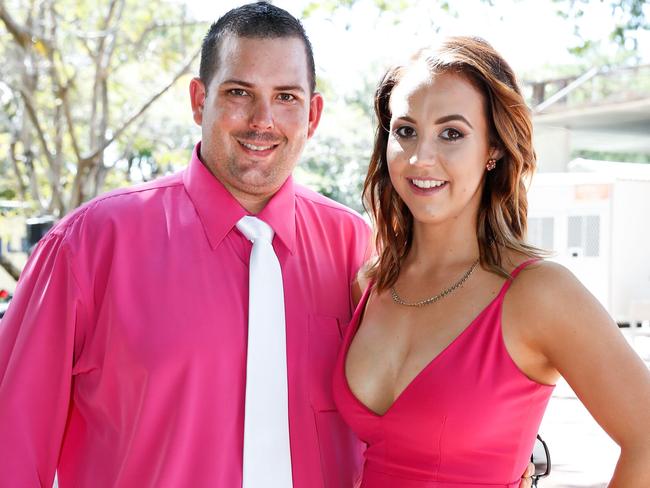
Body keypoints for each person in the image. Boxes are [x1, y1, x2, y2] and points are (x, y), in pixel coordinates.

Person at [0, 4, 535, 487]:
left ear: (313, 115)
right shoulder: (89, 247)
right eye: (239, 93)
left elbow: (429, 420)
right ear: (199, 99)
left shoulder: (365, 255)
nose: (263, 120)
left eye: (286, 97)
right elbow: (11, 452)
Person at [332, 36, 650, 487]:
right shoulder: (369, 283)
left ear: (494, 149)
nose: (422, 158)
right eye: (405, 130)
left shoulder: (539, 293)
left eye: (452, 133)